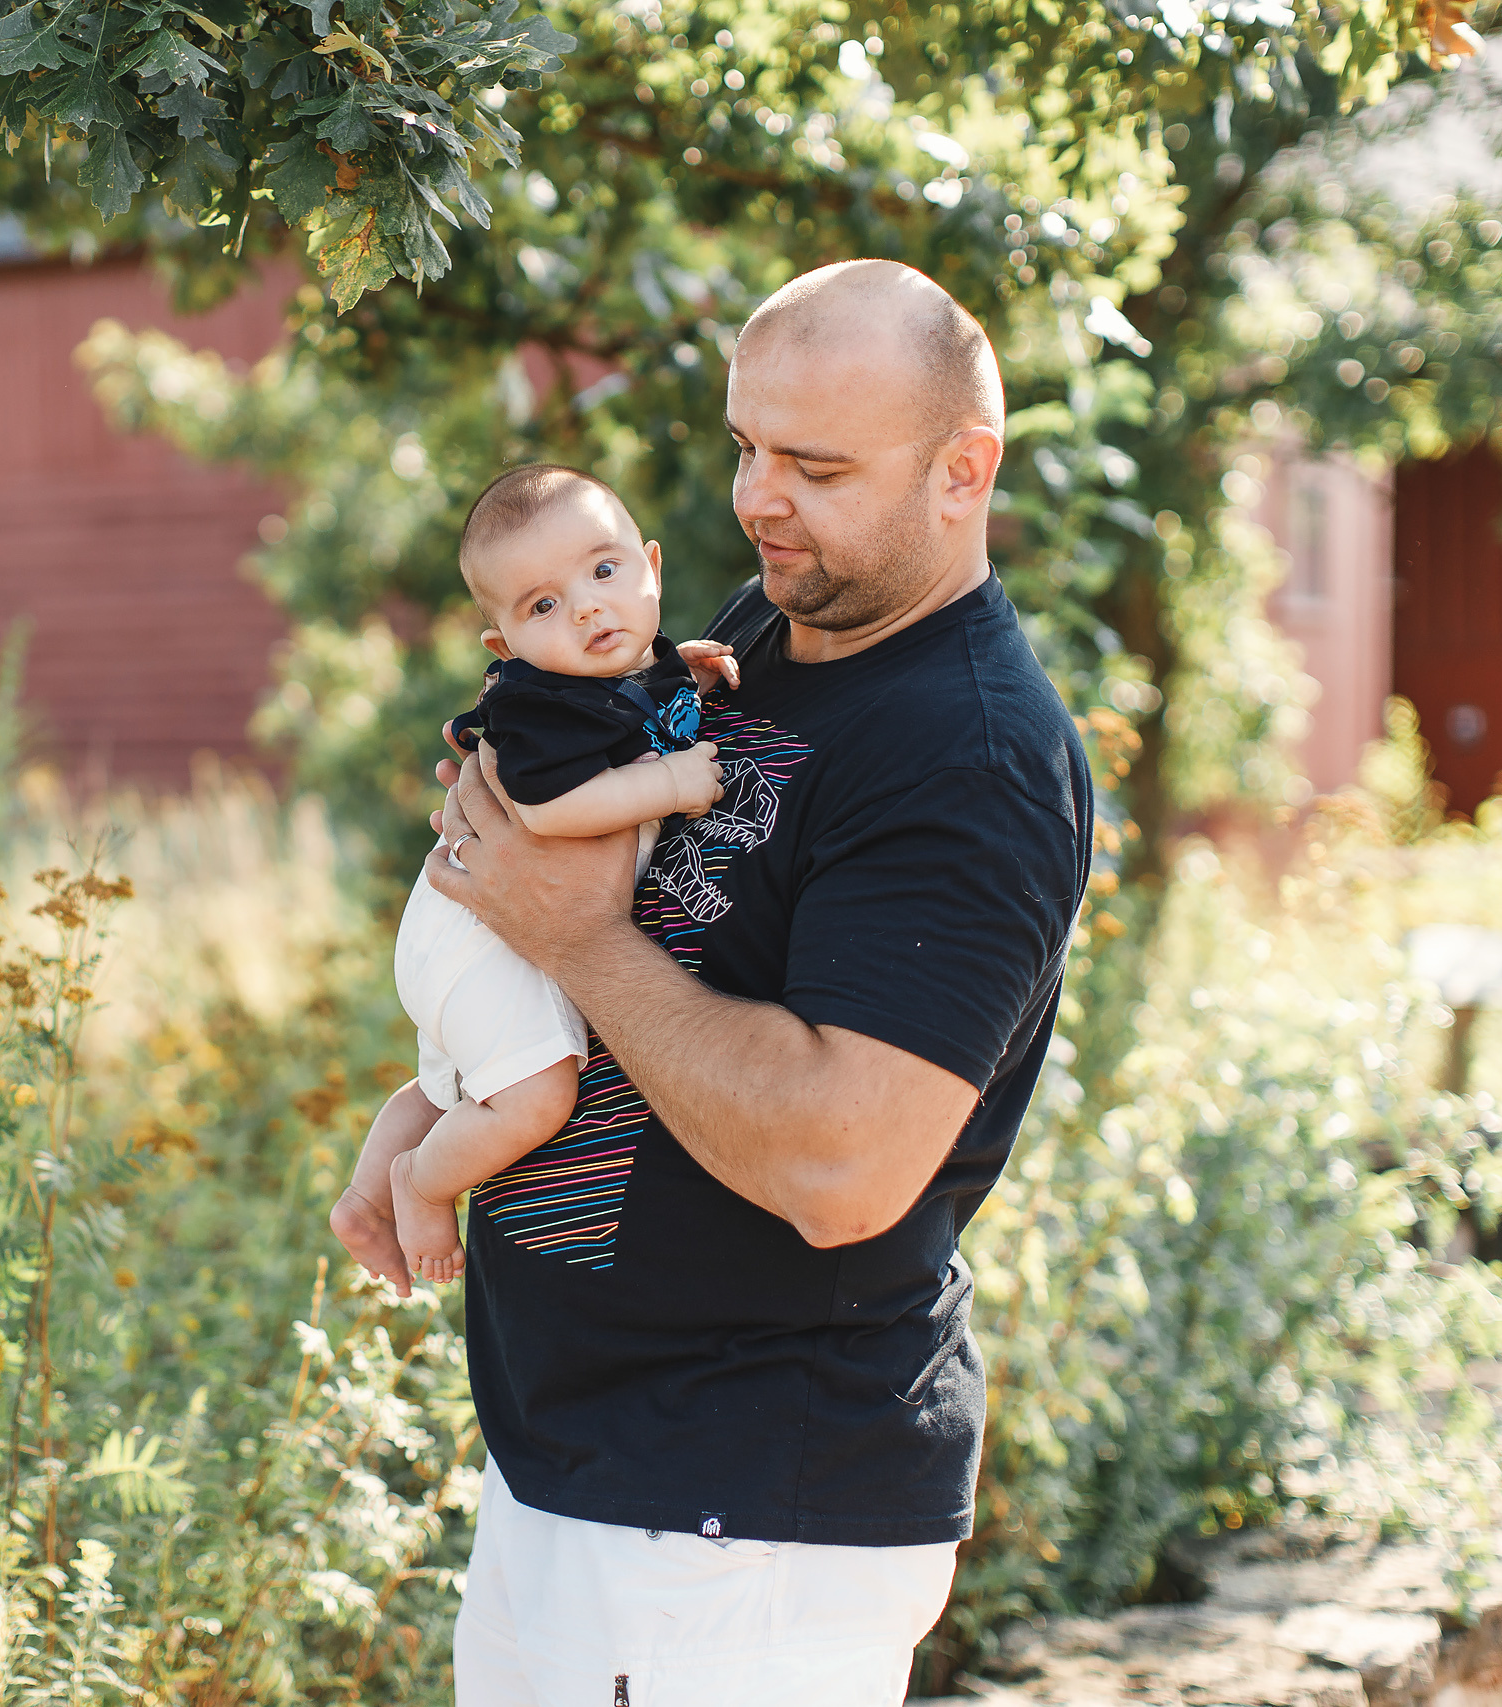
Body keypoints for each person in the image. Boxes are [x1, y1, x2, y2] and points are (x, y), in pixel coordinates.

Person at [359, 259, 1095, 1702]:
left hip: (740, 1522)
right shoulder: (764, 635)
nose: (758, 497)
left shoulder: (974, 757)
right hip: (585, 1471)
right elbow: (648, 944)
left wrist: (569, 931)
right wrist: (437, 1094)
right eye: (745, 444)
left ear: (965, 470)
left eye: (814, 465)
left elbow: (840, 1162)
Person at [334, 465, 740, 1287]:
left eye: (604, 571)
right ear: (505, 646)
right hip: (486, 936)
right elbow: (551, 806)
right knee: (535, 1097)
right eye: (542, 605)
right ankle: (420, 1181)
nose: (589, 606)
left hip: (464, 927)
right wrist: (668, 785)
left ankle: (362, 1194)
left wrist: (680, 672)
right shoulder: (541, 706)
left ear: (650, 569)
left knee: (449, 1086)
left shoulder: (610, 674)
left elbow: (639, 709)